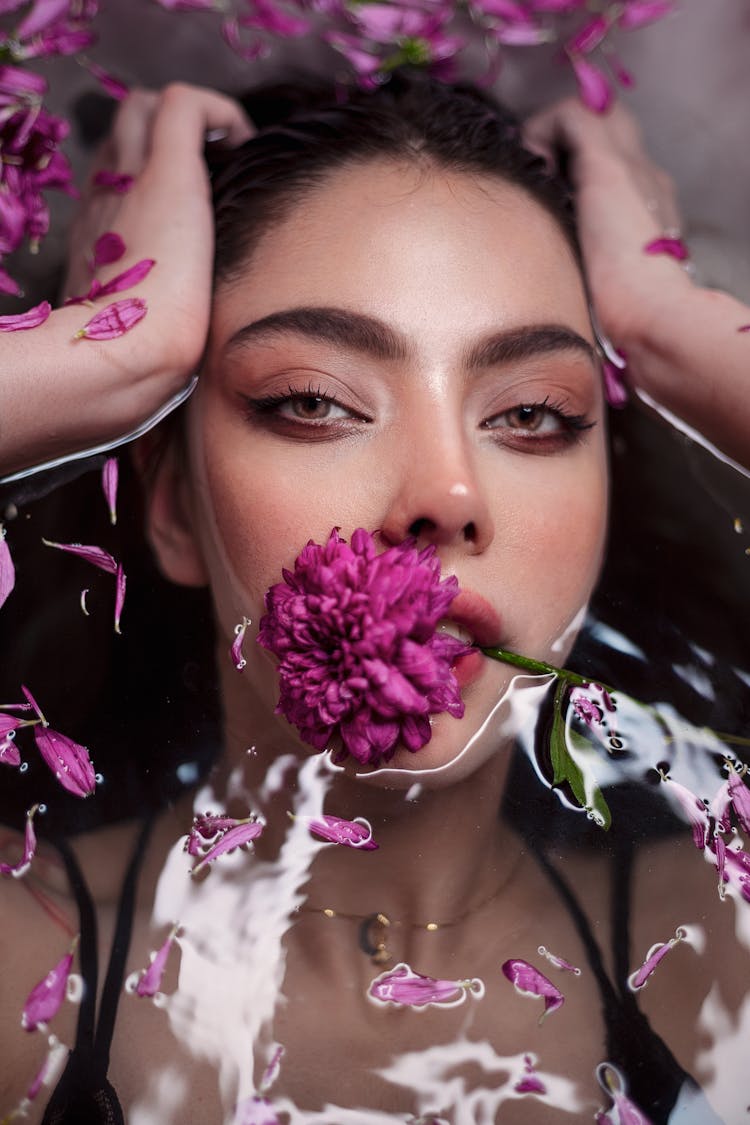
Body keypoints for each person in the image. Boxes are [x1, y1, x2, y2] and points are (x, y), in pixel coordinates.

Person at [0, 74, 748, 1124]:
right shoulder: (21, 962)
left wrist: (674, 326)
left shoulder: (721, 940)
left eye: (535, 413)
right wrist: (108, 361)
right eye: (313, 400)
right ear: (169, 506)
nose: (447, 493)